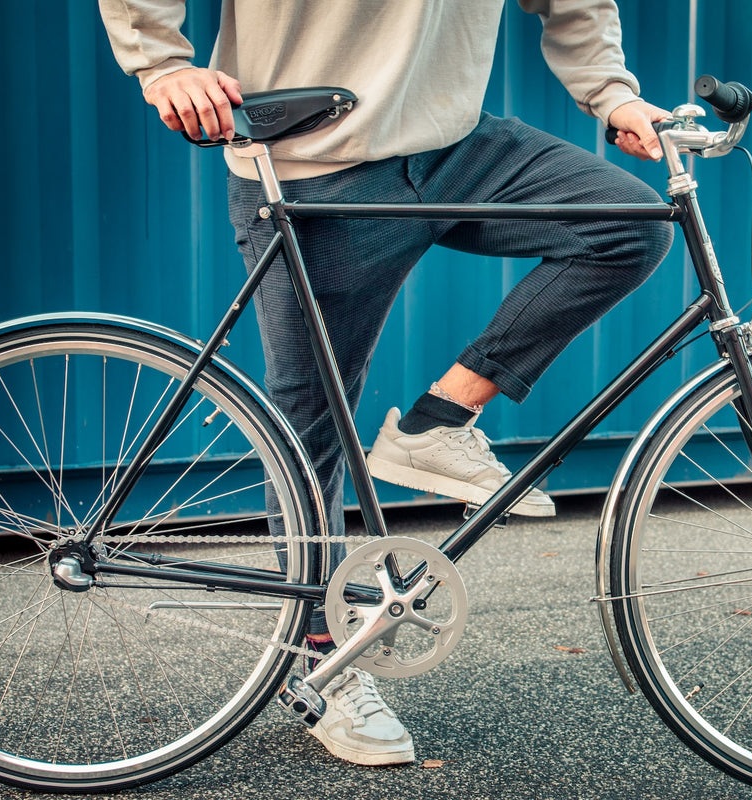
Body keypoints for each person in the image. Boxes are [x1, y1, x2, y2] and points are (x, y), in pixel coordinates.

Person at [99, 0, 674, 768]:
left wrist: (612, 93)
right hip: (314, 168)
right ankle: (322, 658)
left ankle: (440, 420)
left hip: (454, 146)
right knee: (309, 432)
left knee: (629, 222)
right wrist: (162, 64)